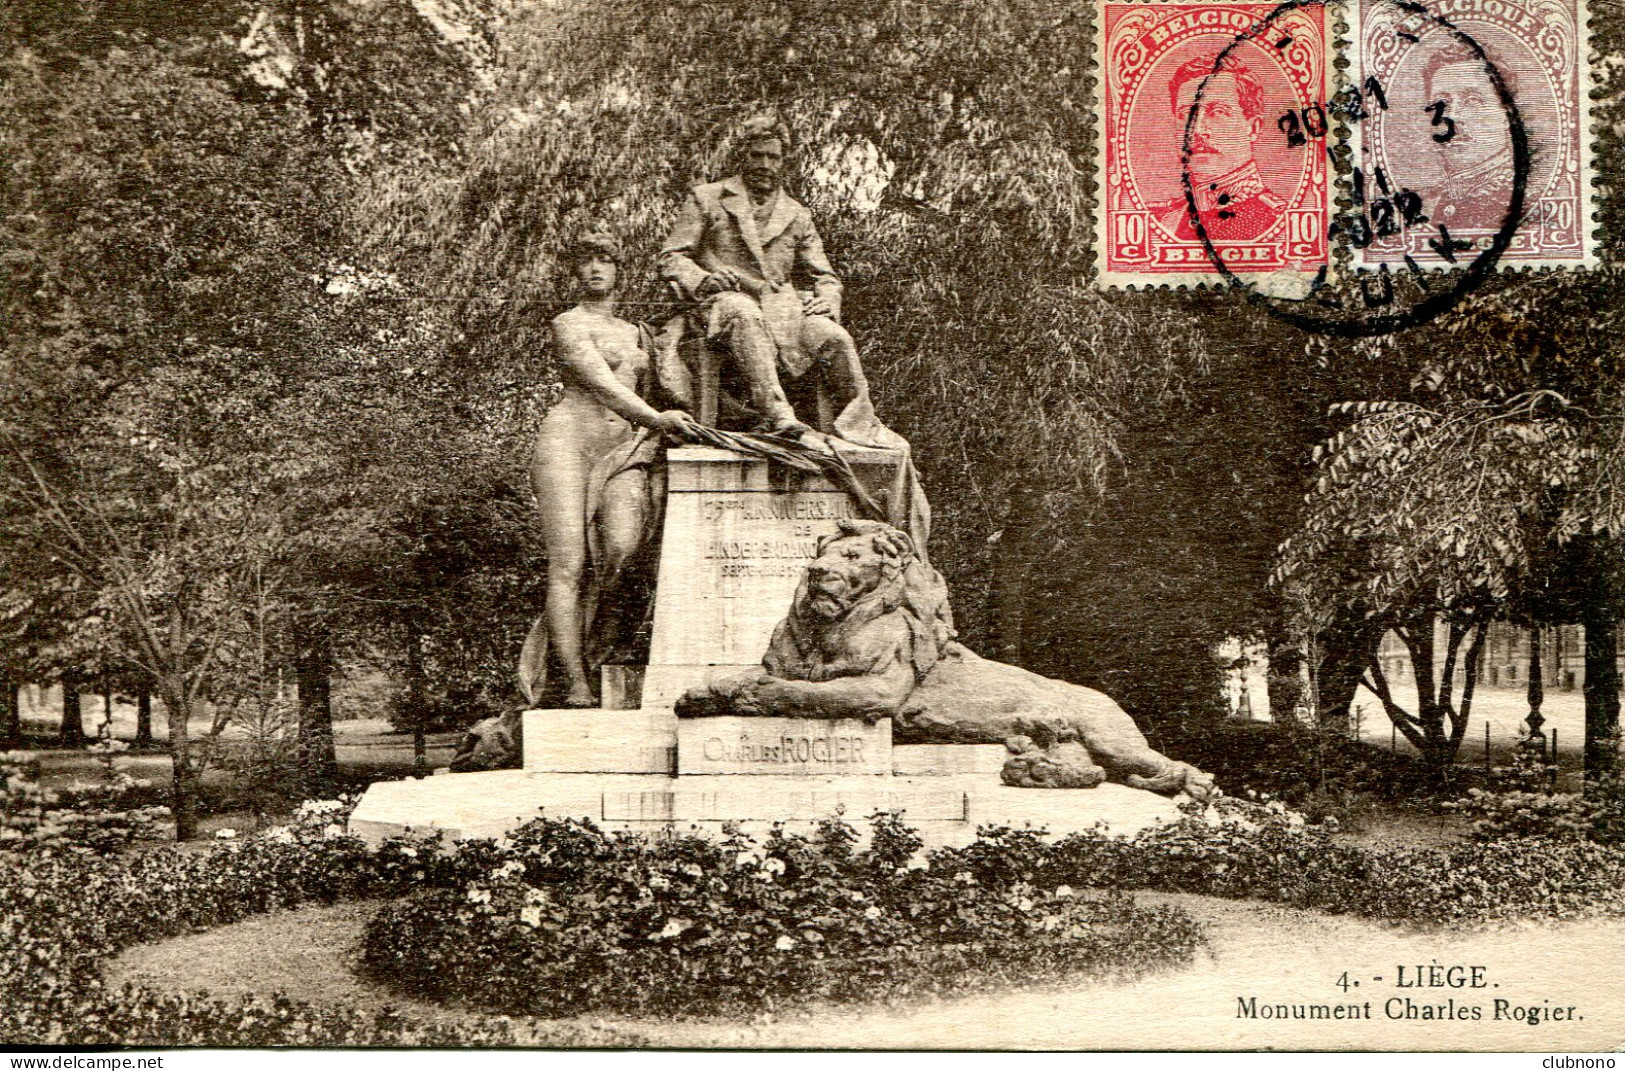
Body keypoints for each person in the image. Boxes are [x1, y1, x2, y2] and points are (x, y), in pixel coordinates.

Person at [526, 230, 701, 708]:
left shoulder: (638, 332)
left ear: (620, 270)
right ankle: (575, 680)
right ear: (575, 272)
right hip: (569, 443)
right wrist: (654, 418)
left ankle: (601, 648)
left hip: (626, 449)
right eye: (586, 261)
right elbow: (600, 383)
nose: (595, 269)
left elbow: (673, 384)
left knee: (623, 547)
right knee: (569, 565)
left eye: (605, 260)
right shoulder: (569, 322)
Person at [658, 115, 889, 446]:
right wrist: (703, 279)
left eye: (773, 157)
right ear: (742, 156)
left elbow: (825, 276)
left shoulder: (796, 213)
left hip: (784, 312)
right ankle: (779, 415)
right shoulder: (707, 198)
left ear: (784, 161)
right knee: (743, 312)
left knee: (833, 336)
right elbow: (671, 258)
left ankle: (858, 428)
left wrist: (827, 299)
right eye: (757, 155)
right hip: (720, 305)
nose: (765, 164)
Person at [1152, 52, 1287, 242]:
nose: (1196, 130)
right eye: (1187, 114)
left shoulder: (1282, 220)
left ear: (1253, 128)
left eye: (1217, 112)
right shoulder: (1161, 221)